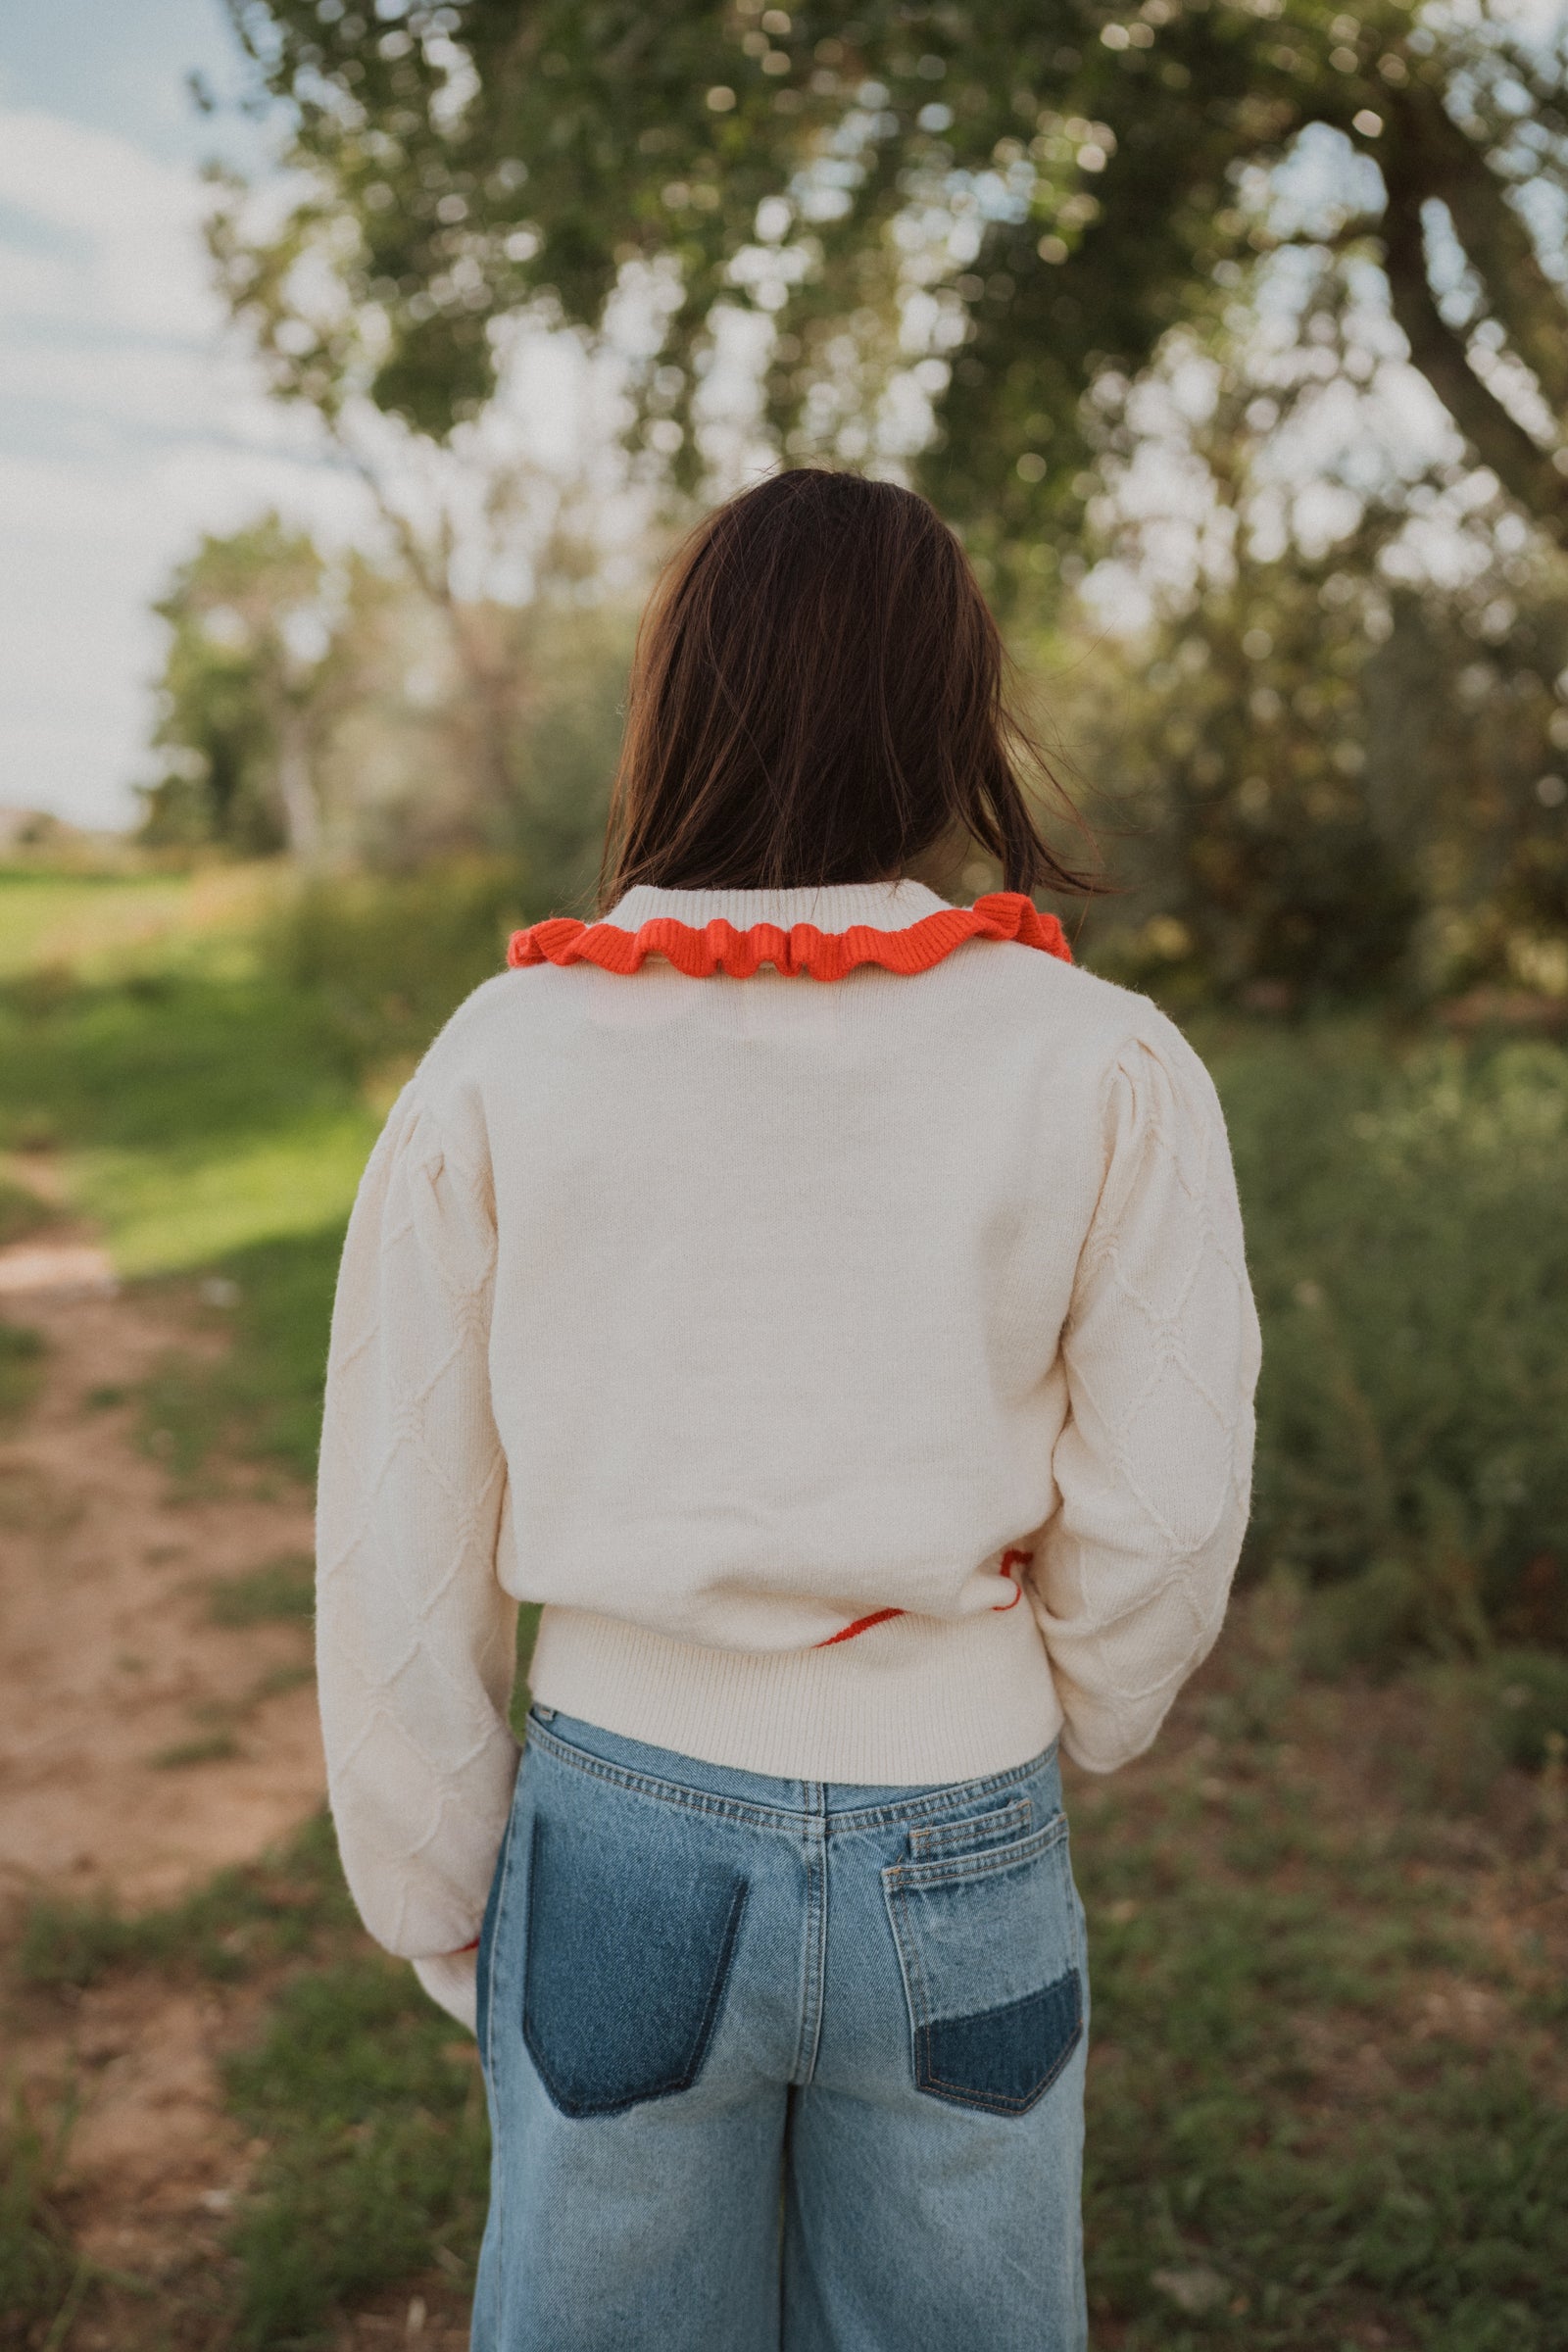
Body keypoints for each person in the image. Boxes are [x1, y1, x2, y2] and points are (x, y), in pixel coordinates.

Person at [315, 467, 1261, 2352]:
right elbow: (1164, 1512)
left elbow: (398, 1512)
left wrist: (433, 1882)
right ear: (951, 707)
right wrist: (1029, 1706)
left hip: (616, 1847)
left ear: (680, 697)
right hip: (966, 1838)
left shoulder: (512, 1053)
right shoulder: (1103, 1060)